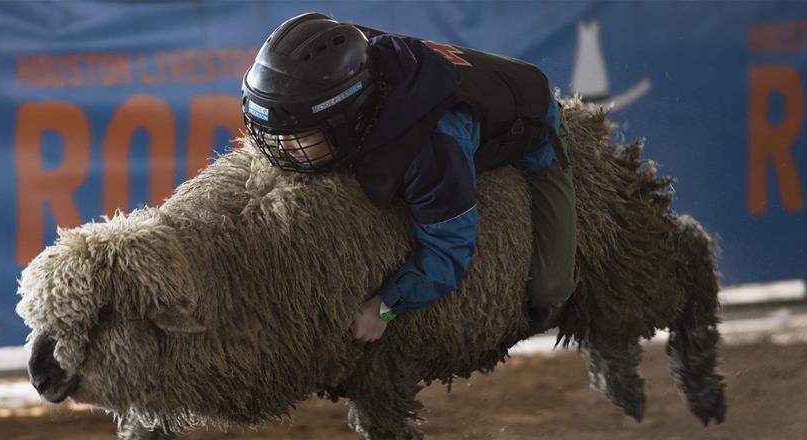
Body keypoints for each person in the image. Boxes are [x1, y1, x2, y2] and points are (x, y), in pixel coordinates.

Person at [242, 13, 576, 343]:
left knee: (549, 289)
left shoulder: (432, 145)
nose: (282, 147)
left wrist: (383, 309)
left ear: (346, 120)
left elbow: (450, 250)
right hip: (455, 79)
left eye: (299, 134)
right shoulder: (347, 66)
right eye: (273, 132)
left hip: (532, 117)